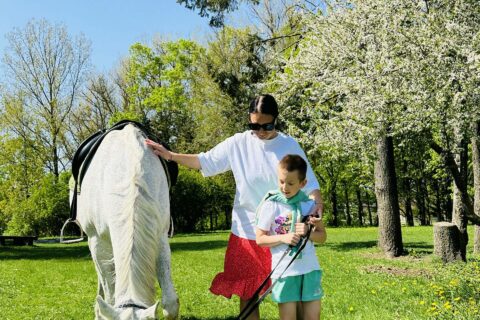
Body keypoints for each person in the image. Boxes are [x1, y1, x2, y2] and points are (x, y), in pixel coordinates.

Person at [145, 94, 323, 320]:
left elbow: (312, 185)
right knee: (248, 294)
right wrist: (170, 155)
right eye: (254, 125)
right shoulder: (238, 143)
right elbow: (204, 161)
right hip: (247, 230)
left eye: (266, 126)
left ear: (276, 120)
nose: (260, 131)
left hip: (284, 231)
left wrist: (317, 206)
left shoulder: (288, 145)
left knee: (291, 296)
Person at [256, 154, 327, 320]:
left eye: (290, 183)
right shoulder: (271, 204)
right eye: (281, 181)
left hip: (310, 269)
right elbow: (260, 239)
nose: (284, 187)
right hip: (284, 272)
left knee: (312, 317)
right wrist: (283, 238)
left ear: (303, 184)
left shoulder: (309, 205)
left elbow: (322, 237)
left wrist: (310, 232)